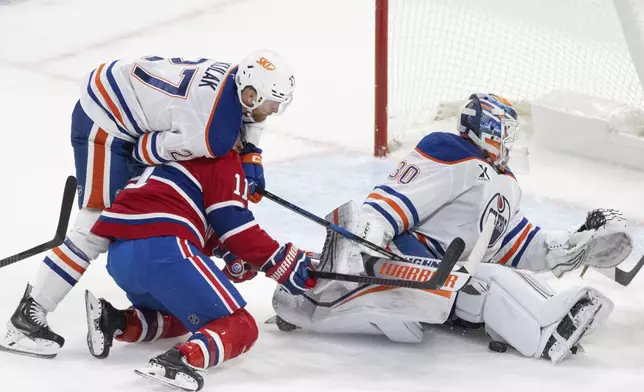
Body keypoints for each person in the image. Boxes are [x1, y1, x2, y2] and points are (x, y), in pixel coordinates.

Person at [270, 93, 634, 364]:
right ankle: (549, 328)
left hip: (442, 277)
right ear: (488, 130)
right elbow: (392, 200)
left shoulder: (501, 183)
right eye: (505, 133)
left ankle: (550, 318)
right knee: (486, 280)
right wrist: (362, 242)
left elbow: (517, 245)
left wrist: (573, 244)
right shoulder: (450, 151)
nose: (510, 143)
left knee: (484, 277)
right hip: (402, 264)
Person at [1, 49, 295, 358]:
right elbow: (144, 151)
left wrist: (251, 154)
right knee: (95, 226)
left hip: (120, 92)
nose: (270, 113)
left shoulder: (234, 77)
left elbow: (248, 118)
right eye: (268, 105)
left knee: (133, 206)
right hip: (106, 121)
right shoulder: (211, 135)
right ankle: (26, 320)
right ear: (249, 95)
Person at [82, 134, 316, 391]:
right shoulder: (221, 155)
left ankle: (115, 322)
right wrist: (282, 262)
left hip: (121, 258)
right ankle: (178, 360)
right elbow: (236, 229)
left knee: (181, 317)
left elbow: (204, 224)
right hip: (165, 250)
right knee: (241, 327)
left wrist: (233, 256)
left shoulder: (175, 154)